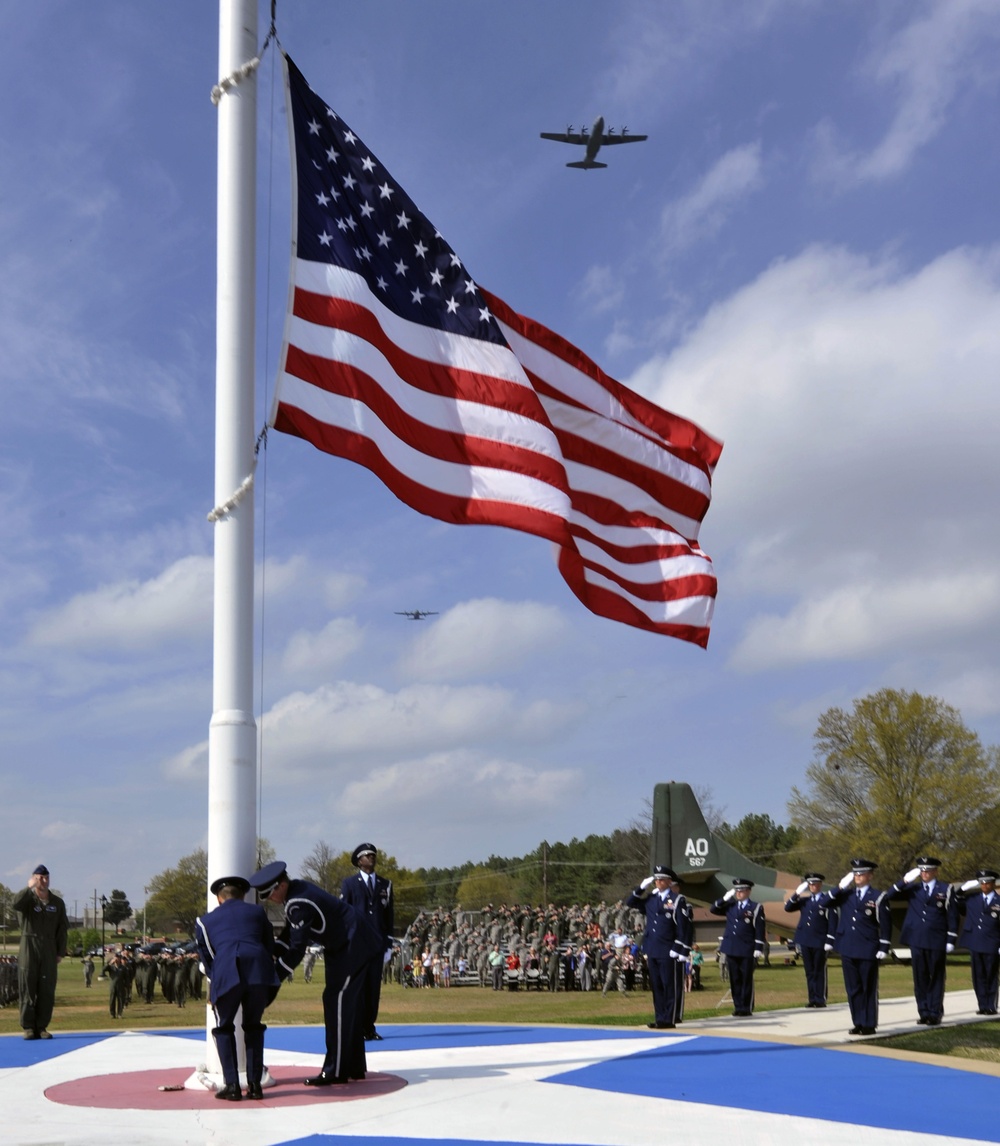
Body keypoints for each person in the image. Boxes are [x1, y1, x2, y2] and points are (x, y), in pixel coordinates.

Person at [250, 860, 382, 1087]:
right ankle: (353, 1066)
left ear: (281, 885)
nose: (269, 899)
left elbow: (297, 949)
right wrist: (271, 955)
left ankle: (336, 1069)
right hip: (346, 945)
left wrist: (273, 979)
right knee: (346, 1005)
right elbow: (289, 935)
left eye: (269, 894)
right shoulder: (298, 890)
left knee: (337, 1002)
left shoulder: (297, 902)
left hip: (352, 946)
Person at [195, 875, 280, 1101]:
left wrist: (218, 978)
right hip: (258, 971)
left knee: (224, 1028)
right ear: (243, 895)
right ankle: (254, 1085)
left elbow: (208, 956)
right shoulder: (258, 913)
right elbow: (267, 943)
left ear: (218, 898)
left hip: (226, 972)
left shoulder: (204, 921)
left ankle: (232, 1085)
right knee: (253, 1027)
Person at [819, 858, 891, 1035]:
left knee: (868, 987)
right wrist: (839, 887)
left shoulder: (878, 897)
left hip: (868, 947)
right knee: (853, 988)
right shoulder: (846, 895)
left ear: (870, 876)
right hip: (848, 946)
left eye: (862, 873)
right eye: (855, 873)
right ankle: (858, 1021)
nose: (858, 876)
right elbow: (824, 903)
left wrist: (884, 947)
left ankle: (869, 1023)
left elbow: (885, 924)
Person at [886, 856, 959, 1026]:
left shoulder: (945, 889)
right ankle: (924, 1011)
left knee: (936, 976)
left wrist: (951, 938)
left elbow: (952, 915)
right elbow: (889, 895)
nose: (925, 873)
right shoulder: (913, 888)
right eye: (922, 870)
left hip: (937, 938)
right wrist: (904, 880)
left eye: (928, 870)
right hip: (917, 938)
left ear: (935, 871)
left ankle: (935, 1012)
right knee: (920, 977)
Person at [627, 864, 692, 1029]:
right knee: (656, 986)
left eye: (661, 879)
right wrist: (641, 887)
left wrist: (681, 949)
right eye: (656, 879)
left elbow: (683, 927)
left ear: (669, 881)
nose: (658, 882)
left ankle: (669, 1018)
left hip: (669, 949)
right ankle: (660, 1017)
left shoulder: (677, 900)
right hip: (653, 948)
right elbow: (631, 902)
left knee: (669, 985)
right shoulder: (651, 899)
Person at [341, 842, 394, 1041]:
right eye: (367, 855)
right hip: (357, 945)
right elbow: (344, 913)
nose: (371, 858)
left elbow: (389, 916)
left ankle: (369, 1027)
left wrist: (388, 944)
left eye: (373, 855)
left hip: (377, 945)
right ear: (358, 861)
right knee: (358, 988)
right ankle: (357, 1027)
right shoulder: (349, 884)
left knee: (373, 989)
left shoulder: (385, 885)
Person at [13, 864, 68, 1040]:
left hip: (49, 949)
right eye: (39, 878)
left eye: (45, 878)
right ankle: (28, 1027)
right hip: (29, 945)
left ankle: (42, 1026)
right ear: (34, 878)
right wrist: (29, 887)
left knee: (46, 989)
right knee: (27, 987)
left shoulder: (57, 903)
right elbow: (15, 903)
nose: (43, 881)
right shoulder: (27, 900)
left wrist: (60, 951)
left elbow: (62, 929)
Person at [709, 877, 766, 1017]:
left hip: (747, 947)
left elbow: (759, 928)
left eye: (742, 890)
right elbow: (713, 909)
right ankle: (738, 1006)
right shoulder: (731, 905)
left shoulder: (755, 907)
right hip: (731, 947)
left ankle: (746, 1007)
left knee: (746, 978)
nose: (739, 893)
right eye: (737, 890)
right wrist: (724, 898)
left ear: (748, 891)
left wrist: (759, 947)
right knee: (734, 978)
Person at [783, 872, 837, 1008]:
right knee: (809, 971)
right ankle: (812, 998)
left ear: (820, 885)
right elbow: (788, 908)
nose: (813, 886)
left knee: (819, 970)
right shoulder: (804, 901)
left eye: (815, 884)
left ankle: (820, 998)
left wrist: (830, 940)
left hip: (820, 940)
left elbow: (832, 922)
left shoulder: (827, 900)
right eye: (810, 884)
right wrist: (796, 894)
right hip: (805, 939)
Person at [957, 868, 1000, 1015]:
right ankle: (982, 1005)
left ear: (993, 883)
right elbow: (954, 900)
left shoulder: (999, 901)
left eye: (987, 883)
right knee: (978, 976)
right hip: (975, 942)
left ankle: (991, 1005)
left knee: (991, 975)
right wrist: (962, 889)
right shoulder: (972, 899)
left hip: (992, 942)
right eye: (982, 883)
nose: (984, 886)